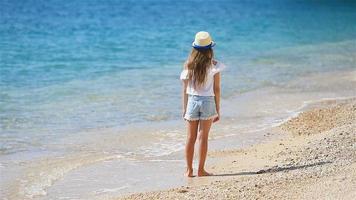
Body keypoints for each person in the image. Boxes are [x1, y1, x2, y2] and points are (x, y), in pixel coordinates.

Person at [180, 31, 225, 177]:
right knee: (203, 137)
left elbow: (185, 89)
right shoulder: (214, 66)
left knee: (190, 138)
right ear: (210, 49)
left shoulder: (189, 65)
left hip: (192, 101)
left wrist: (184, 108)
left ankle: (188, 170)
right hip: (208, 101)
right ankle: (200, 170)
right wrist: (217, 109)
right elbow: (216, 89)